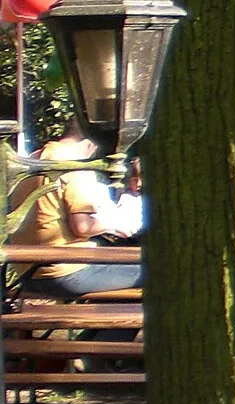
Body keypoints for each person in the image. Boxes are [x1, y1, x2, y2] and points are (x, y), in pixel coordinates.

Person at [6, 124, 141, 296]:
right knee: (160, 270)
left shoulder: (37, 157)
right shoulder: (75, 165)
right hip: (65, 272)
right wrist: (116, 221)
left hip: (28, 273)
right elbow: (82, 227)